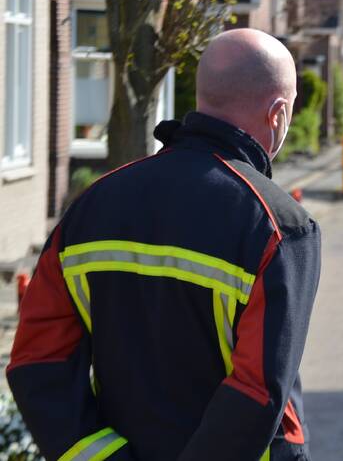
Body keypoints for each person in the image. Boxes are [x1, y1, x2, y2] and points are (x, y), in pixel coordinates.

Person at [7, 29, 322, 460]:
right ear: (279, 113)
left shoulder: (94, 204)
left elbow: (37, 361)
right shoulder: (278, 225)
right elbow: (258, 391)